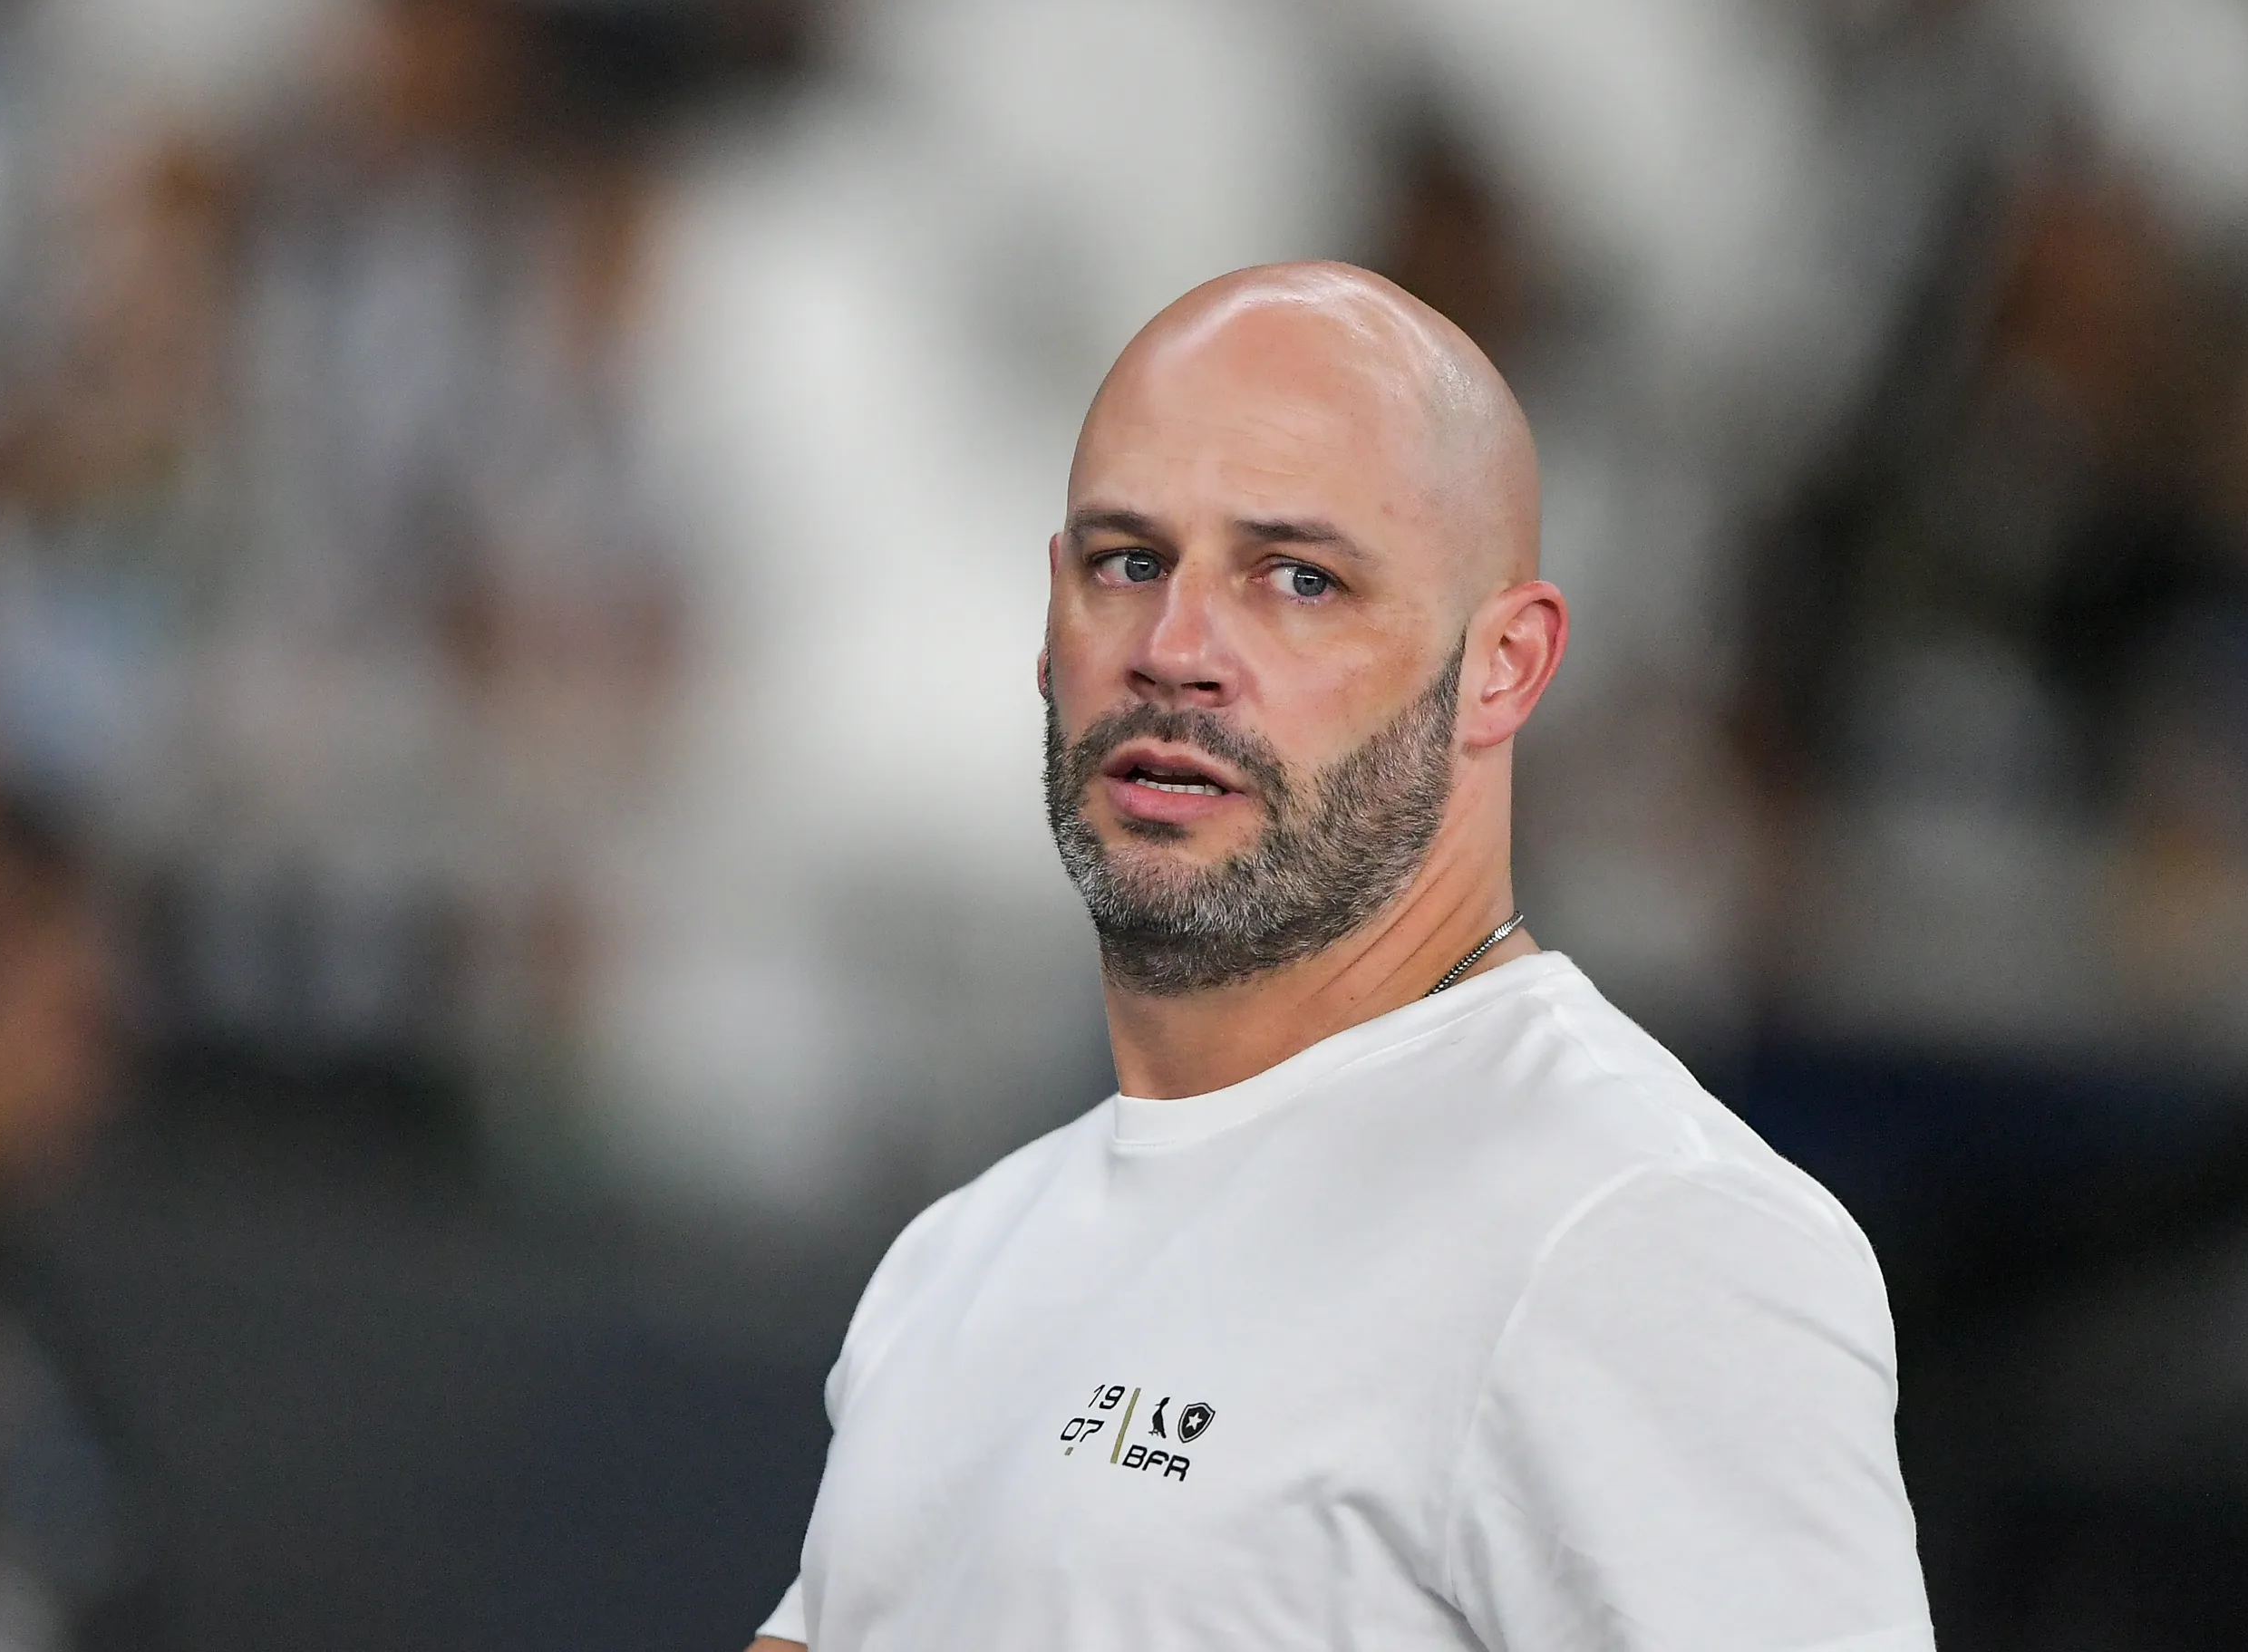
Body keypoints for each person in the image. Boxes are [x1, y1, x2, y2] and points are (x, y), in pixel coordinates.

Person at [748, 262, 1933, 1650]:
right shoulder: (953, 1263)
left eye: (1298, 579)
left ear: (1503, 665)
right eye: (1130, 563)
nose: (1177, 651)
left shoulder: (1637, 1234)